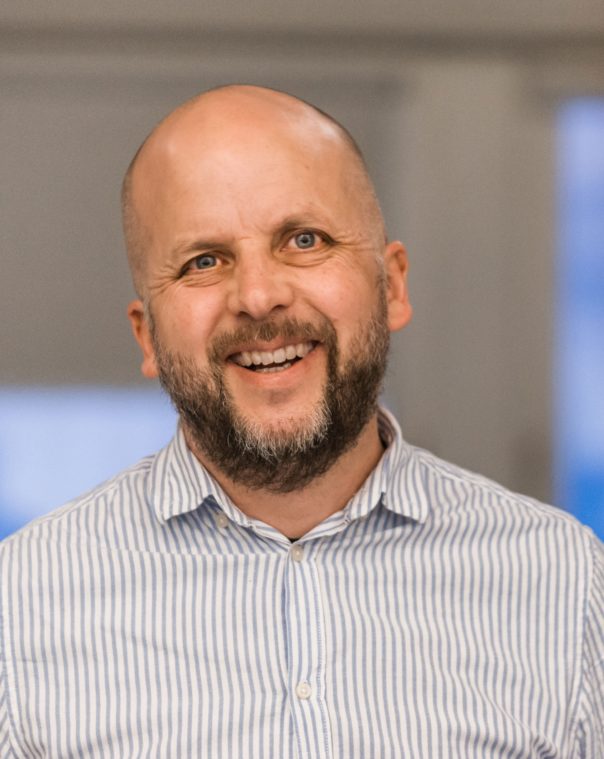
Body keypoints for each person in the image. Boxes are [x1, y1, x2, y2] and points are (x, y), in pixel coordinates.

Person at [0, 85, 602, 758]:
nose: (259, 297)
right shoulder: (19, 607)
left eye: (304, 240)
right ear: (147, 335)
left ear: (393, 285)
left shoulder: (568, 583)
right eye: (204, 261)